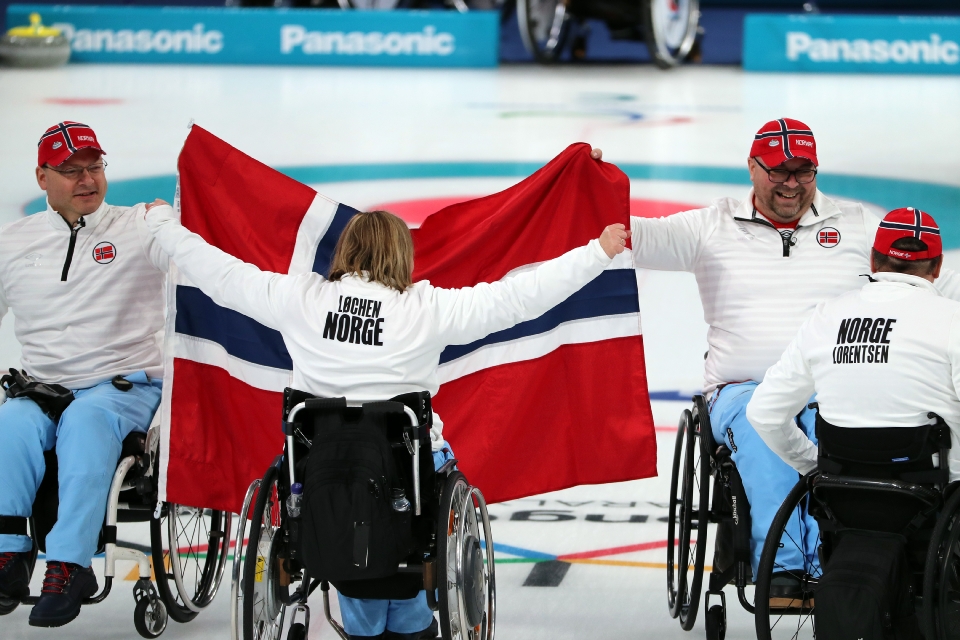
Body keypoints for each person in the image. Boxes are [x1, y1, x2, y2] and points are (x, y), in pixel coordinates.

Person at [141, 202, 629, 640]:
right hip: (408, 486)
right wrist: (595, 252)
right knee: (429, 469)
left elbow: (219, 272)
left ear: (346, 250)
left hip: (322, 483)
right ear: (401, 255)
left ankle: (368, 621)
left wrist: (164, 226)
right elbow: (520, 296)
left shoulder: (300, 298)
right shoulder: (426, 309)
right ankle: (410, 620)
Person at [594, 119, 960, 599]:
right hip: (743, 389)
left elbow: (932, 286)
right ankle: (786, 569)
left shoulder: (857, 226)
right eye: (779, 171)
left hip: (837, 384)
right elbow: (623, 235)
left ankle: (874, 563)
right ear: (752, 168)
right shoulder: (710, 226)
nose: (791, 183)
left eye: (803, 171)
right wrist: (593, 186)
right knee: (761, 422)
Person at [0, 122, 167, 627]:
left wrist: (173, 220)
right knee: (11, 425)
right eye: (70, 171)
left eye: (94, 167)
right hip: (44, 386)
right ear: (42, 177)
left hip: (122, 386)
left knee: (86, 423)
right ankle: (8, 553)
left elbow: (205, 259)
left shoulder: (141, 227)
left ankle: (69, 566)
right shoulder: (12, 242)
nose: (86, 179)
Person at [747, 207, 960, 481]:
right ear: (939, 266)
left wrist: (814, 466)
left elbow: (763, 412)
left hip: (841, 500)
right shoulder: (952, 319)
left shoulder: (826, 317)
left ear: (872, 260)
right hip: (938, 500)